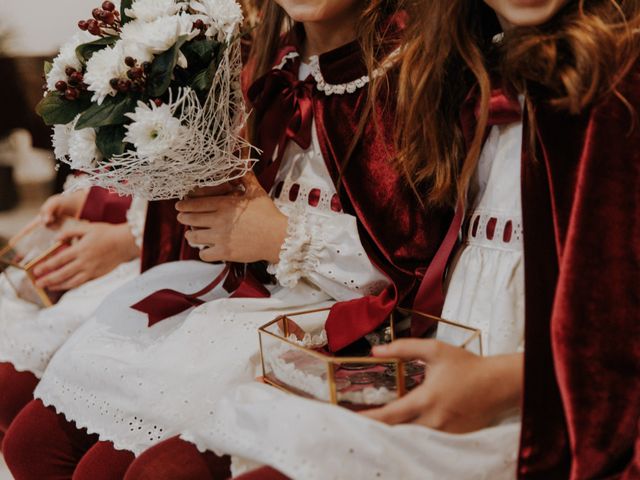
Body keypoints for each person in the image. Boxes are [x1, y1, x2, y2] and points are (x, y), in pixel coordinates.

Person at [123, 0, 640, 478]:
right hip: (442, 357)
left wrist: (503, 384)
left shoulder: (614, 90)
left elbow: (406, 259)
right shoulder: (466, 72)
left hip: (539, 404)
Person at [2, 0, 451, 478]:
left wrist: (278, 237)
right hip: (248, 291)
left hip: (337, 318)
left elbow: (415, 257)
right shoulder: (270, 65)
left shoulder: (408, 73)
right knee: (34, 442)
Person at [0, 185, 141, 450]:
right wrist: (87, 198)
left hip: (152, 252)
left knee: (20, 416)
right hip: (105, 224)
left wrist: (130, 237)